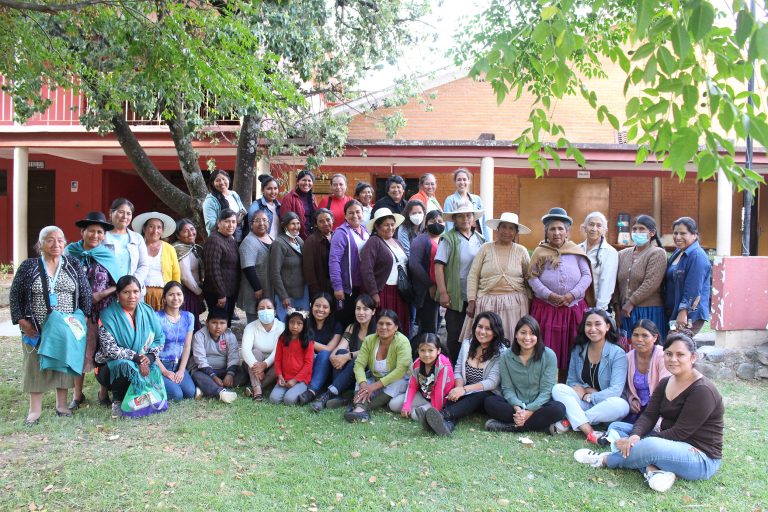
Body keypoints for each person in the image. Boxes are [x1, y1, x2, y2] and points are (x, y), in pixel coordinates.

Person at [573, 333, 723, 493]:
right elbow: (649, 415)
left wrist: (638, 442)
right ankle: (652, 470)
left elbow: (681, 432)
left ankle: (603, 459)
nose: (673, 359)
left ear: (693, 357)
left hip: (699, 456)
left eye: (680, 355)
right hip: (668, 443)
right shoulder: (666, 382)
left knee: (650, 445)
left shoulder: (702, 390)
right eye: (669, 354)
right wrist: (635, 436)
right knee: (618, 427)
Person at [11, 226, 92, 425]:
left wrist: (84, 318)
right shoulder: (29, 266)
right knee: (34, 364)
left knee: (62, 364)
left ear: (65, 243)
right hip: (36, 327)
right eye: (50, 240)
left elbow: (85, 293)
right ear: (41, 244)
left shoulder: (72, 263)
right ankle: (34, 410)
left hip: (66, 327)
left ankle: (62, 405)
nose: (56, 244)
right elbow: (15, 295)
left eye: (60, 240)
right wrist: (21, 320)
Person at [64, 212, 122, 410]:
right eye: (91, 231)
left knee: (102, 350)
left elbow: (120, 283)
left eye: (99, 232)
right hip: (77, 312)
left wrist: (100, 294)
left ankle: (103, 392)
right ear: (82, 232)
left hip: (103, 311)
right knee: (78, 351)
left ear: (104, 235)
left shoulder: (107, 254)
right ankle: (77, 395)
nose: (95, 235)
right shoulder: (70, 252)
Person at [528, 207, 595, 373]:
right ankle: (546, 380)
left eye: (560, 228)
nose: (556, 232)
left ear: (567, 232)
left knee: (572, 347)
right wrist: (548, 295)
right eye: (552, 229)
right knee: (546, 347)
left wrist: (571, 295)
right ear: (546, 232)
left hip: (572, 310)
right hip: (546, 309)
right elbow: (532, 277)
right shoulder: (540, 252)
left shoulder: (576, 251)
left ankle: (570, 381)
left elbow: (587, 276)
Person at [550, 308, 629, 443]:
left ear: (607, 326)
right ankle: (590, 431)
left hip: (606, 404)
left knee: (621, 405)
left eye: (598, 324)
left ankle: (570, 421)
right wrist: (585, 391)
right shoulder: (578, 350)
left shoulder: (618, 354)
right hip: (583, 402)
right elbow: (572, 382)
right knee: (558, 389)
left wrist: (589, 396)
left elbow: (615, 390)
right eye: (588, 324)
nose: (593, 329)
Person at [423, 312, 504, 436]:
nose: (482, 332)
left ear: (496, 331)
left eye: (488, 329)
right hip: (466, 391)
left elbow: (492, 383)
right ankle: (446, 426)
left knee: (479, 395)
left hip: (487, 396)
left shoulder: (501, 352)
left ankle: (442, 415)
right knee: (455, 393)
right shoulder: (467, 344)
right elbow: (458, 370)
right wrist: (459, 388)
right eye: (480, 326)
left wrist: (464, 390)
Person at [94, 275, 164, 419]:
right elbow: (110, 349)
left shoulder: (148, 312)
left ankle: (141, 399)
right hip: (109, 368)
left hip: (143, 362)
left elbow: (159, 338)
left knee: (159, 379)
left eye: (135, 291)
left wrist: (149, 357)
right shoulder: (108, 315)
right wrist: (136, 358)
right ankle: (117, 402)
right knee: (124, 365)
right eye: (126, 292)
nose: (132, 296)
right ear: (118, 295)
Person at [484, 315, 565, 433]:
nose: (527, 337)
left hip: (540, 406)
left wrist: (529, 412)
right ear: (516, 334)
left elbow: (546, 391)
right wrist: (518, 409)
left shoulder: (549, 355)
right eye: (523, 332)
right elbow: (507, 388)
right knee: (490, 402)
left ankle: (511, 427)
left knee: (559, 409)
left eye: (532, 333)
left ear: (537, 336)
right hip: (514, 406)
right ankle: (538, 425)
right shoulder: (506, 356)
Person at [463, 212, 531, 343]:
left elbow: (528, 279)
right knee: (485, 342)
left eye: (512, 228)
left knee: (512, 343)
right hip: (487, 304)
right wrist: (471, 301)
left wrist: (530, 301)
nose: (507, 231)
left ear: (516, 232)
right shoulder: (485, 249)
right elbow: (473, 275)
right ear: (497, 229)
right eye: (504, 227)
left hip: (515, 305)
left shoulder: (521, 251)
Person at [435, 200, 485, 364]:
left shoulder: (480, 239)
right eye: (460, 216)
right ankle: (453, 371)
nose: (465, 219)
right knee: (455, 336)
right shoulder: (448, 239)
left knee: (475, 335)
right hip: (455, 297)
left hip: (475, 296)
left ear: (473, 218)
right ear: (454, 219)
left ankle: (472, 369)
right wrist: (443, 292)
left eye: (468, 215)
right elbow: (439, 266)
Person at [309, 294, 377, 412]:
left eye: (365, 309)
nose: (361, 312)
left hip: (365, 375)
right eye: (358, 308)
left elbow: (369, 352)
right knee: (340, 352)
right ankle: (340, 393)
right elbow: (341, 346)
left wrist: (348, 356)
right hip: (347, 375)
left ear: (373, 311)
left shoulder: (377, 330)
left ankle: (328, 395)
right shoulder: (351, 327)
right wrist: (334, 356)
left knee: (357, 359)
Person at [344, 310, 411, 422]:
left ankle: (361, 408)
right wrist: (364, 385)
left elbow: (401, 370)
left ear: (396, 327)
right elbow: (359, 365)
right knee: (361, 380)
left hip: (397, 380)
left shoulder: (402, 342)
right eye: (380, 323)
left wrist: (373, 387)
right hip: (375, 378)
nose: (383, 327)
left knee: (396, 384)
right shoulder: (369, 340)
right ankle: (359, 409)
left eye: (388, 324)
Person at [613, 215, 668, 342]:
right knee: (628, 348)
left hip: (648, 311)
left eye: (642, 229)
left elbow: (651, 283)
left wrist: (631, 303)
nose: (637, 232)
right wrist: (617, 309)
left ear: (652, 233)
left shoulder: (657, 253)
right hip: (625, 313)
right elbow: (614, 283)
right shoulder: (622, 254)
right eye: (635, 229)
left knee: (648, 348)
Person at [360, 207, 411, 337]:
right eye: (386, 225)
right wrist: (374, 292)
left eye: (392, 225)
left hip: (399, 292)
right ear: (377, 227)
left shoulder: (397, 242)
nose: (390, 228)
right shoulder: (374, 242)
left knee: (397, 326)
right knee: (384, 326)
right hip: (383, 292)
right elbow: (367, 269)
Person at [613, 320, 669, 426]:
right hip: (638, 409)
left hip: (658, 409)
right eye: (635, 335)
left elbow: (665, 389)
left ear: (655, 338)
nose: (639, 339)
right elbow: (626, 387)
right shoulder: (628, 357)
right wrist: (632, 399)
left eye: (645, 336)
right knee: (615, 427)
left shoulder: (662, 356)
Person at [397, 333, 455, 427]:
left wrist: (436, 412)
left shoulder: (443, 365)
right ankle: (417, 409)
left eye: (430, 350)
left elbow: (438, 391)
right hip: (424, 397)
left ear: (438, 350)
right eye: (422, 350)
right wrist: (406, 405)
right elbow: (412, 386)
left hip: (438, 402)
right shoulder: (417, 364)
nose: (426, 354)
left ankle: (420, 411)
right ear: (418, 351)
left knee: (415, 415)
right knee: (393, 405)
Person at [665, 217, 711, 335]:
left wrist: (683, 311)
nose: (678, 237)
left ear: (694, 235)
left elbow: (693, 289)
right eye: (675, 233)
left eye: (683, 233)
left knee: (679, 345)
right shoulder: (678, 252)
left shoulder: (697, 256)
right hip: (675, 310)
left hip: (688, 314)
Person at [297, 292, 344, 405]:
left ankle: (312, 390)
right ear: (311, 306)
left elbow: (329, 349)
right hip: (304, 363)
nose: (320, 309)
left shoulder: (337, 325)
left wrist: (307, 341)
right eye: (317, 305)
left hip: (324, 365)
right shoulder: (304, 323)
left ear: (331, 310)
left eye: (325, 307)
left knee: (324, 354)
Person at [329, 199, 369, 328]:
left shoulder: (365, 230)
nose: (355, 215)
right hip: (348, 288)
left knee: (359, 321)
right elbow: (334, 261)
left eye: (358, 212)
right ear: (345, 215)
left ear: (363, 214)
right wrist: (338, 286)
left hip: (363, 286)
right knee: (346, 321)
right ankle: (342, 348)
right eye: (351, 213)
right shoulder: (341, 233)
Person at [188, 311, 243, 403]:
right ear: (207, 322)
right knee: (197, 375)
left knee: (242, 372)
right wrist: (213, 376)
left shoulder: (230, 335)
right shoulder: (199, 335)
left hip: (224, 370)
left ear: (227, 324)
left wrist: (230, 374)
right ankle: (220, 392)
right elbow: (200, 360)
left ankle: (205, 388)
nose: (218, 327)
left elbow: (233, 357)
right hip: (204, 371)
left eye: (222, 323)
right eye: (214, 323)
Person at [155, 281, 196, 400]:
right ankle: (152, 383)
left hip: (178, 365)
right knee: (177, 395)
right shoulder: (156, 317)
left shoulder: (189, 317)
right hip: (160, 365)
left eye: (179, 294)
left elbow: (187, 346)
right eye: (171, 294)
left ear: (183, 297)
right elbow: (149, 347)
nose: (175, 298)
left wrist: (182, 370)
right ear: (164, 298)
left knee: (190, 392)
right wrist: (164, 371)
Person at [132, 211, 180, 311]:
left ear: (162, 231)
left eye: (159, 227)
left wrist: (175, 294)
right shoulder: (136, 247)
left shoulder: (169, 249)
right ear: (144, 229)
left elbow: (176, 274)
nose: (155, 230)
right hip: (139, 295)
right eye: (151, 226)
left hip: (164, 295)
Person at [240, 297, 284, 401]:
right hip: (254, 365)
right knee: (256, 352)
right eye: (261, 308)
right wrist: (258, 368)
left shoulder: (282, 327)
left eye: (269, 308)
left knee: (281, 361)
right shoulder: (250, 327)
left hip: (272, 364)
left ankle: (257, 387)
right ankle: (257, 390)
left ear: (274, 311)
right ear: (257, 312)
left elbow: (278, 351)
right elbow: (245, 350)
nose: (265, 311)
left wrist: (265, 365)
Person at [409, 210, 444, 336]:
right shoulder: (421, 240)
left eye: (440, 221)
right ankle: (422, 353)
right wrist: (430, 284)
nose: (437, 223)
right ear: (426, 223)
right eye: (433, 221)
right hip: (426, 291)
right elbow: (414, 264)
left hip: (440, 290)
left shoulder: (444, 240)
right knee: (428, 328)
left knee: (436, 325)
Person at [203, 208, 240, 326]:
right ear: (219, 222)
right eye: (227, 221)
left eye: (234, 222)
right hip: (218, 294)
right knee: (217, 326)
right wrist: (221, 294)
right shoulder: (214, 240)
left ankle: (223, 345)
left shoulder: (231, 240)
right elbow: (212, 270)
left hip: (230, 292)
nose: (231, 225)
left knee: (225, 325)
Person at [270, 212, 309, 321]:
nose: (296, 227)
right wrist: (283, 296)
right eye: (292, 224)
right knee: (286, 324)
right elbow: (274, 272)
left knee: (302, 322)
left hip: (302, 292)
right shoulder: (279, 243)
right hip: (287, 294)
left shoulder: (299, 240)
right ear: (285, 226)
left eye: (298, 223)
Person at [270, 309, 315, 405]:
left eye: (299, 323)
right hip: (284, 377)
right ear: (287, 322)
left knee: (289, 400)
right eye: (292, 322)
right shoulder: (282, 338)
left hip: (300, 380)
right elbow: (277, 359)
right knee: (274, 399)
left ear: (304, 325)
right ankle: (289, 391)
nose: (295, 326)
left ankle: (301, 390)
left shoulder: (307, 341)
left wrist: (295, 380)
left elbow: (308, 364)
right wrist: (280, 376)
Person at [104, 198, 148, 289]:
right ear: (111, 213)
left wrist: (131, 284)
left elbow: (143, 265)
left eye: (129, 213)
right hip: (106, 290)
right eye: (121, 212)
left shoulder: (137, 238)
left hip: (132, 291)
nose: (125, 216)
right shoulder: (102, 237)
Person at [238, 210, 273, 324]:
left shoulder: (270, 237)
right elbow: (248, 267)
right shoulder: (249, 241)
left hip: (268, 285)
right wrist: (257, 288)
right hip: (255, 288)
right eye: (257, 220)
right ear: (251, 224)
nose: (262, 223)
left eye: (264, 220)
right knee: (255, 320)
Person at [578, 212, 618, 311]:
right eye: (591, 224)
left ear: (605, 230)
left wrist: (599, 310)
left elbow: (607, 282)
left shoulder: (610, 252)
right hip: (577, 305)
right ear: (585, 227)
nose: (594, 229)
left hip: (596, 307)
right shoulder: (577, 249)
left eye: (599, 225)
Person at [172, 218, 204, 331]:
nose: (190, 233)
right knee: (187, 325)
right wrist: (199, 292)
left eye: (192, 229)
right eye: (185, 231)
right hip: (186, 293)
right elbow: (185, 276)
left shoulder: (193, 248)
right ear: (178, 235)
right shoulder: (179, 249)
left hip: (193, 292)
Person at [203, 169, 246, 240]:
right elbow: (211, 225)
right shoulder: (210, 201)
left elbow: (243, 210)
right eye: (217, 180)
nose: (222, 182)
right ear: (212, 183)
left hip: (238, 235)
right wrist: (229, 225)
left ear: (228, 179)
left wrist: (237, 220)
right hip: (221, 239)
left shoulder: (234, 194)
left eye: (223, 179)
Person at [443, 168, 486, 237]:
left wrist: (486, 241)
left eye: (464, 179)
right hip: (458, 239)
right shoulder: (450, 200)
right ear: (455, 182)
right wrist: (452, 242)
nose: (462, 182)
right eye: (459, 180)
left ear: (469, 181)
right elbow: (449, 225)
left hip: (477, 239)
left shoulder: (477, 200)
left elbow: (483, 224)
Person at [303, 208, 335, 298]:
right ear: (316, 224)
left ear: (333, 220)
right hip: (320, 288)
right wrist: (315, 290)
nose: (325, 223)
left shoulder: (336, 236)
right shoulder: (311, 240)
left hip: (335, 286)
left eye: (328, 220)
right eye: (321, 221)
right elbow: (308, 269)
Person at [279, 169, 318, 239]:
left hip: (312, 237)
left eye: (309, 181)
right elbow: (285, 220)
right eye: (304, 180)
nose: (306, 183)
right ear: (297, 182)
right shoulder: (289, 198)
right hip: (295, 238)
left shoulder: (313, 198)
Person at [246, 174, 281, 239]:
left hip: (277, 244)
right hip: (263, 244)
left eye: (275, 188)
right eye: (269, 189)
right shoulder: (256, 206)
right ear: (262, 190)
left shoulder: (279, 206)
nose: (273, 192)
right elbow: (252, 229)